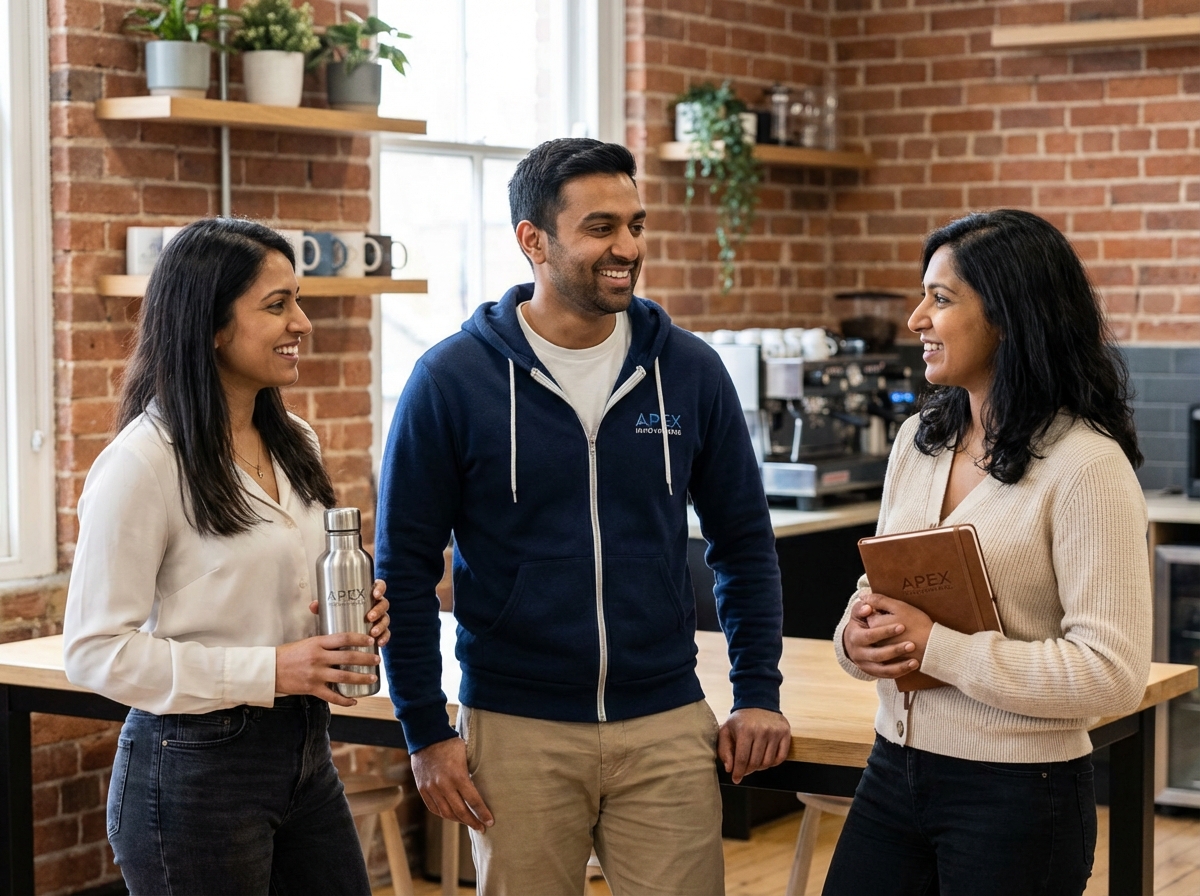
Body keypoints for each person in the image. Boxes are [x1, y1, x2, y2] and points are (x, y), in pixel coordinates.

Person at [376, 137, 791, 895]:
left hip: (666, 717)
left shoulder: (689, 370)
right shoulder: (450, 380)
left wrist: (757, 690)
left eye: (635, 225)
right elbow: (400, 571)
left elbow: (744, 545)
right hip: (517, 725)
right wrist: (426, 732)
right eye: (601, 228)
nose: (627, 247)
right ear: (533, 240)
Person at [823, 209, 1152, 896]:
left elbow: (1112, 675)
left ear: (1008, 317)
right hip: (893, 770)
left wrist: (935, 647)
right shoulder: (919, 440)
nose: (917, 319)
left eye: (940, 299)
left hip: (1020, 796)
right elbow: (876, 588)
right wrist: (856, 639)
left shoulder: (1085, 465)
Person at [62, 218, 391, 895]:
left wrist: (356, 612)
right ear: (210, 325)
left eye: (298, 299)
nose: (302, 322)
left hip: (304, 752)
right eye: (277, 305)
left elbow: (284, 586)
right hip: (193, 772)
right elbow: (95, 652)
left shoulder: (295, 440)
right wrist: (273, 668)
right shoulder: (142, 464)